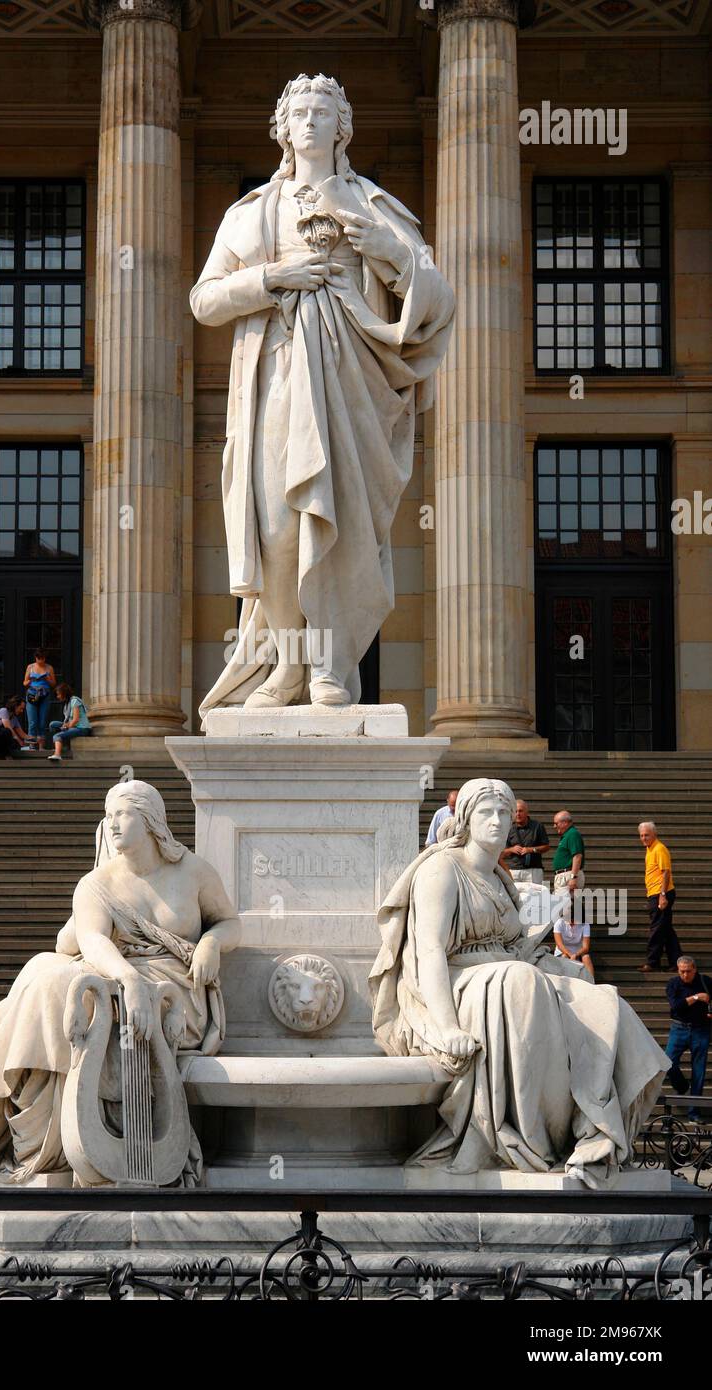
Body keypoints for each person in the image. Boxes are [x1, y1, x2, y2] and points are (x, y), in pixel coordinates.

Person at [191, 73, 454, 716]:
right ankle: (286, 664)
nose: (310, 121)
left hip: (353, 384)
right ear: (282, 129)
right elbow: (204, 300)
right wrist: (270, 277)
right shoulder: (251, 213)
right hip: (278, 376)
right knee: (280, 526)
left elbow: (438, 297)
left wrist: (389, 248)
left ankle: (333, 666)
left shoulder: (373, 204)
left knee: (342, 529)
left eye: (323, 111)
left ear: (343, 127)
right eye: (299, 112)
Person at [369, 778, 667, 1188]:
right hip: (456, 983)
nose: (496, 821)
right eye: (485, 812)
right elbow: (429, 953)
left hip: (508, 970)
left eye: (503, 812)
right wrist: (446, 1026)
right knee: (520, 982)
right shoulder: (441, 869)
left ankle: (592, 1131)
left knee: (600, 998)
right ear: (465, 819)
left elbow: (512, 945)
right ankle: (535, 1138)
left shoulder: (498, 875)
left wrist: (558, 966)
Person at [0, 780, 241, 1185]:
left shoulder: (193, 872)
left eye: (121, 814)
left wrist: (211, 942)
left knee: (54, 981)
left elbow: (230, 922)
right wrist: (128, 978)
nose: (112, 824)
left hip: (175, 992)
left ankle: (40, 1145)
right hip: (118, 975)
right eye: (108, 816)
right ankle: (40, 1147)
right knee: (39, 982)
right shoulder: (97, 883)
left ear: (151, 818)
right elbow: (91, 941)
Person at [664, 958, 711, 1122]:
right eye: (682, 971)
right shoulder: (673, 984)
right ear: (678, 970)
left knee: (699, 1071)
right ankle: (682, 1086)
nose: (685, 974)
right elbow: (676, 1006)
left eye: (688, 971)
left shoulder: (705, 981)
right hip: (679, 1028)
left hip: (701, 1030)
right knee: (668, 1062)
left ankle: (694, 1112)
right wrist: (697, 997)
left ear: (695, 969)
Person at [638, 820, 682, 973]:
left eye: (647, 835)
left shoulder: (659, 848)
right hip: (655, 893)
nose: (644, 838)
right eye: (642, 835)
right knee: (666, 929)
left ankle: (652, 962)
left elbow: (666, 872)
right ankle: (677, 961)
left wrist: (662, 895)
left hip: (661, 893)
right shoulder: (650, 849)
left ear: (654, 834)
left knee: (656, 928)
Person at [499, 798, 550, 884]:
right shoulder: (509, 828)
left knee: (535, 896)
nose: (518, 814)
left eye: (520, 811)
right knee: (514, 896)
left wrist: (531, 850)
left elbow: (546, 847)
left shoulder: (537, 826)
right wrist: (511, 849)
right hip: (514, 870)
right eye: (515, 811)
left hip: (533, 870)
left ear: (527, 812)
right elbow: (501, 853)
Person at [47, 683, 92, 762]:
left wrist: (66, 727)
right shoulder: (66, 704)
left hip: (82, 728)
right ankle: (59, 745)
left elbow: (75, 719)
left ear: (64, 693)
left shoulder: (74, 701)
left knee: (57, 735)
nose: (58, 697)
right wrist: (65, 725)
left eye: (58, 694)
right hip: (73, 726)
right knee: (53, 724)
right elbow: (69, 721)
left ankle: (57, 754)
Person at [22, 648, 56, 750]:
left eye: (43, 658)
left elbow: (54, 684)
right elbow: (24, 683)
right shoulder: (30, 667)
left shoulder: (49, 668)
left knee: (42, 722)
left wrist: (47, 679)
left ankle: (41, 746)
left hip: (44, 695)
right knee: (32, 721)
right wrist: (30, 680)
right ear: (35, 658)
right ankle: (32, 745)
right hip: (32, 695)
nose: (41, 661)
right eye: (39, 658)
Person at [553, 899, 594, 980]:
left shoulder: (585, 924)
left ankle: (591, 984)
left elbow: (586, 947)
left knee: (586, 957)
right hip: (562, 952)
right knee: (564, 957)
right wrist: (570, 954)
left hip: (578, 953)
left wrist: (575, 955)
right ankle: (561, 982)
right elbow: (559, 944)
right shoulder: (559, 923)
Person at [551, 810, 584, 895]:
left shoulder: (572, 834)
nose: (554, 826)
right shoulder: (567, 835)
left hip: (568, 876)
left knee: (564, 906)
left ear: (565, 822)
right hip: (565, 876)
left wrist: (573, 877)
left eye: (556, 823)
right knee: (569, 905)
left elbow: (577, 856)